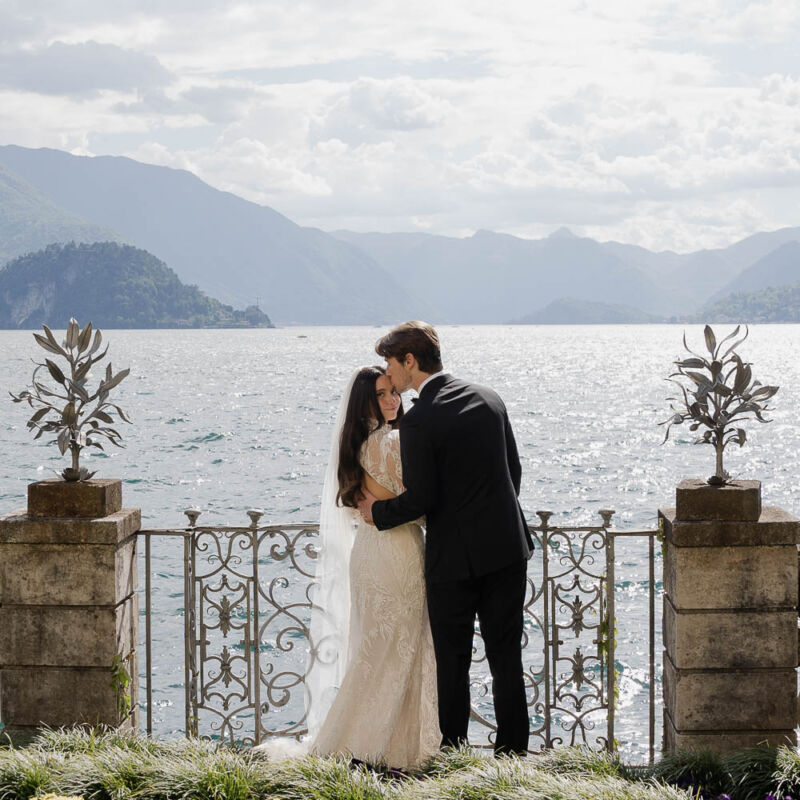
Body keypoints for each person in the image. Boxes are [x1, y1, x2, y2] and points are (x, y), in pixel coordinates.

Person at [358, 321, 532, 756]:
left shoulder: (420, 420)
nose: (390, 375)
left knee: (452, 664)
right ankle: (512, 759)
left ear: (409, 361)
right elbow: (514, 474)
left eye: (390, 365)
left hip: (454, 562)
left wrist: (377, 512)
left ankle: (454, 757)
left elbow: (422, 498)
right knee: (506, 659)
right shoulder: (490, 398)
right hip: (508, 550)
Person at [306, 365, 440, 769]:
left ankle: (373, 743)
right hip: (395, 554)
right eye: (381, 395)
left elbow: (372, 504)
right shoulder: (390, 443)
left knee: (378, 649)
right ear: (365, 401)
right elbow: (417, 505)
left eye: (392, 392)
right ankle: (382, 748)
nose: (392, 399)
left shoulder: (358, 444)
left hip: (369, 552)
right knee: (397, 649)